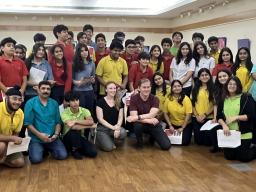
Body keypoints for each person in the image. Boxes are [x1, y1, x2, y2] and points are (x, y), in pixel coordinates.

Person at [24, 81, 67, 164]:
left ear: (50, 91)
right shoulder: (30, 103)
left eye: (48, 89)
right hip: (36, 138)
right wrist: (40, 135)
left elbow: (58, 122)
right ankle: (40, 149)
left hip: (52, 138)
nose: (45, 91)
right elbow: (28, 124)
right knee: (36, 160)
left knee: (62, 155)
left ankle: (45, 149)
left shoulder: (54, 103)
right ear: (38, 90)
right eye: (43, 88)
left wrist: (56, 134)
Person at [217, 76, 256, 162]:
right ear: (226, 85)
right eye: (230, 84)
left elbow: (252, 115)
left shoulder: (246, 97)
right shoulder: (223, 99)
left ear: (238, 86)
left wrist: (236, 117)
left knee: (243, 158)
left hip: (243, 133)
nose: (232, 86)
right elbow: (219, 117)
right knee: (229, 157)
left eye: (235, 84)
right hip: (229, 133)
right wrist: (224, 125)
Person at [127, 78, 171, 150]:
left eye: (148, 87)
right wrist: (149, 120)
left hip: (152, 124)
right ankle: (139, 142)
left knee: (166, 146)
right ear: (139, 88)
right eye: (144, 87)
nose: (146, 89)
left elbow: (152, 115)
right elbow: (133, 116)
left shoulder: (155, 98)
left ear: (151, 87)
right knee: (137, 125)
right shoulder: (133, 98)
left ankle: (152, 137)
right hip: (142, 123)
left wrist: (138, 117)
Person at [61, 91, 97, 159]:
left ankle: (78, 148)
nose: (75, 103)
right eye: (72, 101)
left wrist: (75, 121)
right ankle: (75, 150)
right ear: (68, 102)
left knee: (93, 153)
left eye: (77, 100)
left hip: (80, 137)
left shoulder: (85, 110)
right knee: (74, 131)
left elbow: (91, 121)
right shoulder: (64, 113)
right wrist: (90, 126)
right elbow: (73, 127)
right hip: (67, 138)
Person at [96, 82, 126, 151]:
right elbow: (100, 119)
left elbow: (120, 117)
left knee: (123, 132)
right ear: (106, 90)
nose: (113, 90)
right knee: (108, 148)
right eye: (110, 88)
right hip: (102, 129)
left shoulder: (119, 101)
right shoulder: (100, 101)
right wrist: (113, 127)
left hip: (113, 128)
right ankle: (103, 139)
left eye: (114, 88)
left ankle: (110, 138)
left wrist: (117, 127)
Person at [0, 87, 25, 168]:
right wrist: (12, 138)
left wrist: (14, 141)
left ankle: (2, 160)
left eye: (19, 99)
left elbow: (16, 134)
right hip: (2, 143)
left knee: (20, 163)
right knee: (1, 146)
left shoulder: (20, 112)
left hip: (8, 142)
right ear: (6, 98)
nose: (17, 102)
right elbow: (13, 137)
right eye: (14, 99)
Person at [163, 80, 193, 145]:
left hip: (185, 124)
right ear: (171, 88)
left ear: (181, 87)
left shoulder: (186, 99)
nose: (177, 88)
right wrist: (170, 125)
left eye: (179, 86)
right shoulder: (168, 98)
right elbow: (165, 113)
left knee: (184, 142)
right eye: (174, 86)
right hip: (172, 124)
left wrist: (182, 127)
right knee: (166, 141)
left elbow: (188, 115)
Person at [210, 69, 232, 152]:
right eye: (220, 77)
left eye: (224, 76)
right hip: (220, 114)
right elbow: (216, 105)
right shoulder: (216, 89)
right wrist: (215, 117)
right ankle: (217, 146)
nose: (222, 78)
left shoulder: (233, 87)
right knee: (214, 126)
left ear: (229, 76)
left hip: (231, 114)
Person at [0, 37, 28, 101]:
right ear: (2, 48)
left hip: (18, 94)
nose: (12, 47)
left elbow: (25, 80)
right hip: (3, 95)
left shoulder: (21, 62)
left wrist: (21, 91)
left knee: (18, 111)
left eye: (13, 46)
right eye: (9, 45)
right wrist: (7, 91)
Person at [191, 68, 214, 146]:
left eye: (206, 75)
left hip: (209, 117)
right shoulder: (195, 89)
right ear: (199, 77)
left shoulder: (214, 88)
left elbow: (215, 105)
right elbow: (192, 104)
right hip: (196, 118)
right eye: (202, 75)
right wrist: (197, 116)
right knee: (199, 142)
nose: (204, 77)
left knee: (208, 143)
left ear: (209, 76)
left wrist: (205, 115)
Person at [48, 24, 74, 93]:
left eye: (67, 32)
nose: (67, 34)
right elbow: (51, 64)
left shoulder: (69, 46)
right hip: (58, 83)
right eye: (64, 32)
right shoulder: (54, 48)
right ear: (58, 34)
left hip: (70, 80)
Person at [73, 44, 95, 112]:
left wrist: (92, 80)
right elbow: (70, 79)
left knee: (89, 111)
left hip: (89, 90)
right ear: (78, 52)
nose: (84, 52)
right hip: (78, 91)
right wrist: (78, 82)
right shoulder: (74, 63)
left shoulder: (92, 63)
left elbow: (93, 76)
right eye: (82, 51)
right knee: (80, 112)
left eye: (86, 50)